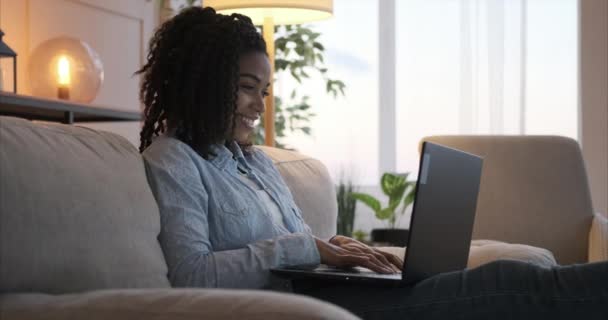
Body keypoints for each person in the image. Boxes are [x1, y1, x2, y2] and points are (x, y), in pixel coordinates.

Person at [137, 7, 608, 319]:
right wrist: (307, 248)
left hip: (340, 291)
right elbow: (191, 275)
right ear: (200, 83)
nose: (258, 106)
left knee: (509, 280)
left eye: (264, 92)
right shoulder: (173, 161)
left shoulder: (256, 164)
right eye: (245, 87)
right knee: (516, 284)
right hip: (312, 305)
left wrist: (338, 248)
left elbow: (301, 246)